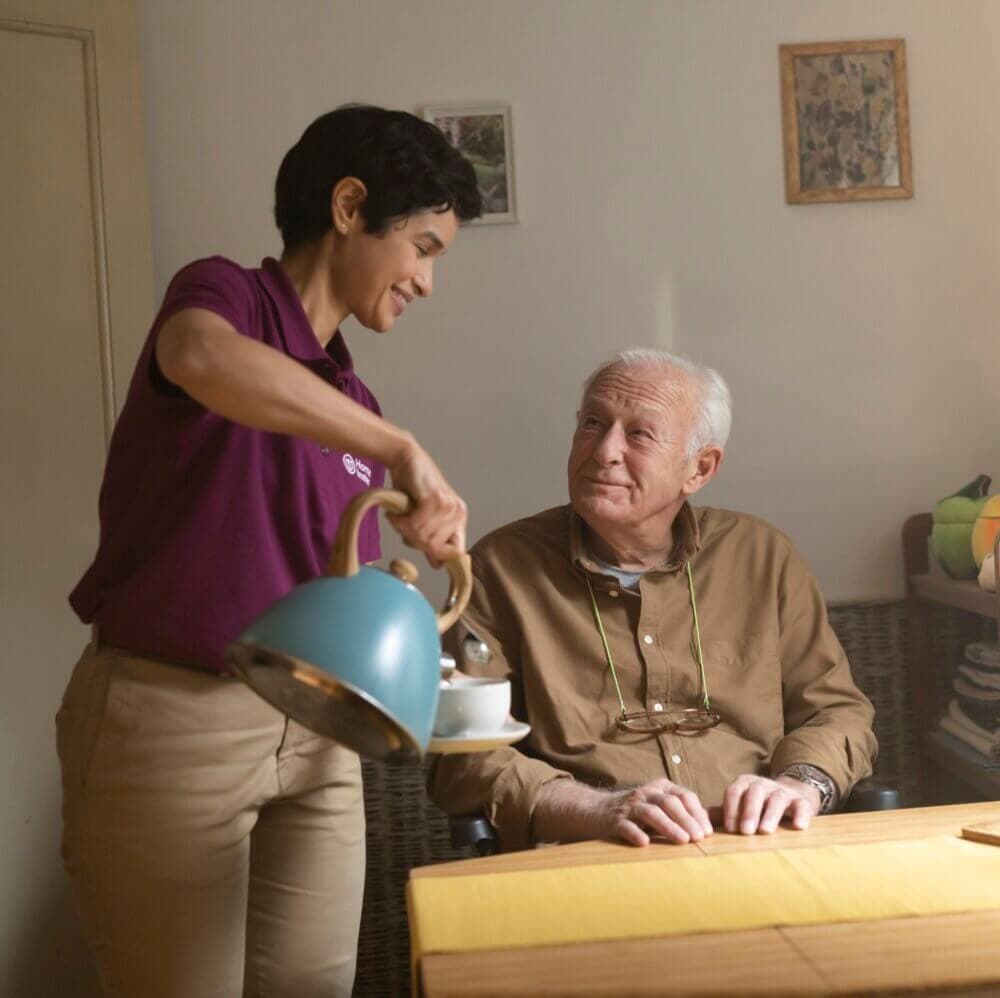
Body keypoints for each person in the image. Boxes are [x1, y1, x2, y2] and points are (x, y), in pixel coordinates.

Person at [57, 105, 482, 997]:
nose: (428, 283)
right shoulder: (224, 297)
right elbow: (201, 358)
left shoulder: (347, 391)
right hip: (175, 719)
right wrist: (401, 446)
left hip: (319, 731)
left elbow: (320, 591)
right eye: (425, 248)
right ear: (350, 206)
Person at [429, 349, 876, 852]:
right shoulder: (498, 569)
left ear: (699, 469)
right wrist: (592, 808)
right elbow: (460, 758)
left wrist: (800, 783)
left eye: (639, 434)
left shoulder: (762, 557)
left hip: (757, 843)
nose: (604, 451)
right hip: (595, 856)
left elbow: (836, 712)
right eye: (592, 424)